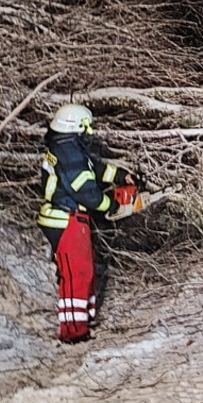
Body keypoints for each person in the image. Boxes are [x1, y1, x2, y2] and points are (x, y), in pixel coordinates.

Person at [36, 103, 139, 343]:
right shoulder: (68, 151)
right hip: (65, 218)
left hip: (70, 217)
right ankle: (73, 331)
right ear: (76, 127)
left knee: (85, 271)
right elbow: (84, 190)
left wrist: (121, 176)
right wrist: (110, 205)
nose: (89, 133)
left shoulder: (67, 147)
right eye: (85, 128)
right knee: (77, 274)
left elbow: (95, 168)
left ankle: (84, 319)